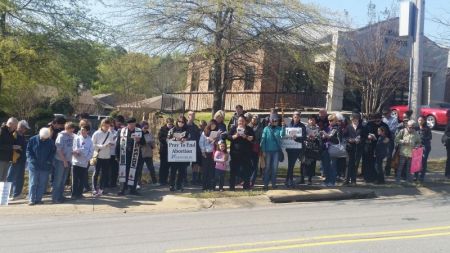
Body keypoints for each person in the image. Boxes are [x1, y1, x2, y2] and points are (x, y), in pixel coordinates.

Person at [116, 118, 145, 195]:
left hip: (135, 155)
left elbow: (144, 143)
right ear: (127, 124)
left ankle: (132, 189)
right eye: (130, 124)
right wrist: (117, 156)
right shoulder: (121, 131)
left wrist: (139, 140)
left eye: (133, 124)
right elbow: (118, 144)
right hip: (124, 155)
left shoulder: (139, 131)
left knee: (134, 172)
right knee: (123, 172)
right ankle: (122, 189)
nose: (132, 126)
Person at [26, 128, 56, 205]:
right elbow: (28, 151)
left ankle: (38, 199)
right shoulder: (32, 139)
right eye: (42, 138)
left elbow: (53, 152)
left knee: (42, 183)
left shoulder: (50, 141)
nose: (43, 140)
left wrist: (49, 161)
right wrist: (32, 160)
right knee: (33, 183)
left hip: (45, 166)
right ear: (40, 135)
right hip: (34, 166)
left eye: (45, 139)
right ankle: (31, 199)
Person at [228, 115, 254, 190]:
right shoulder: (234, 128)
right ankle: (232, 187)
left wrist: (245, 136)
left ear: (245, 122)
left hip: (246, 153)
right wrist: (236, 135)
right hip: (235, 153)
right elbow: (228, 137)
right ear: (237, 121)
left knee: (246, 170)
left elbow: (253, 138)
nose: (240, 122)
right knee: (233, 170)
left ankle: (246, 186)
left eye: (242, 121)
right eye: (239, 121)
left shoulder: (249, 129)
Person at [362, 113, 390, 183]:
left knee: (378, 165)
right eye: (375, 120)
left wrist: (387, 139)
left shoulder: (384, 125)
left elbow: (389, 136)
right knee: (368, 163)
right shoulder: (369, 124)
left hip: (380, 148)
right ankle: (368, 178)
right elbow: (363, 134)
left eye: (378, 120)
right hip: (370, 146)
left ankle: (378, 179)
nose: (377, 122)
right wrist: (368, 137)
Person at [52, 122, 75, 203]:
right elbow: (59, 150)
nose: (72, 131)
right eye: (70, 130)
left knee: (63, 180)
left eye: (72, 130)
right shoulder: (61, 136)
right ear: (66, 129)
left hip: (68, 160)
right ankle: (55, 198)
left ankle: (60, 196)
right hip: (60, 161)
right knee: (58, 180)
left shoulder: (72, 136)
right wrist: (64, 161)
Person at [6, 120, 30, 199]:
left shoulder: (22, 135)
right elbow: (10, 145)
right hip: (14, 159)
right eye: (25, 128)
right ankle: (6, 194)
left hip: (22, 159)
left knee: (20, 177)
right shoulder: (14, 134)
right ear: (21, 127)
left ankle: (17, 194)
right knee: (11, 176)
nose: (25, 130)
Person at [282, 111, 306, 187]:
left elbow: (303, 138)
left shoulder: (302, 126)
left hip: (297, 149)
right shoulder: (289, 125)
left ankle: (289, 181)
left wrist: (296, 138)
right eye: (295, 117)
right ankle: (289, 180)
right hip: (290, 148)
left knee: (291, 165)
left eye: (298, 117)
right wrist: (284, 127)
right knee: (290, 165)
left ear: (300, 118)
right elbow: (285, 135)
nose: (296, 118)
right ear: (293, 117)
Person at [92, 119, 115, 196]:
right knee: (96, 172)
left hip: (107, 156)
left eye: (108, 126)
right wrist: (101, 146)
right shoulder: (96, 133)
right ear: (102, 125)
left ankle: (101, 188)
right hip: (98, 155)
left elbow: (113, 143)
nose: (107, 127)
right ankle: (94, 188)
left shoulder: (110, 134)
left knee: (104, 173)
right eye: (105, 126)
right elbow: (92, 145)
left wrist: (111, 144)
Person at [167, 115, 190, 191]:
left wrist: (186, 139)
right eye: (179, 121)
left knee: (182, 171)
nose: (181, 123)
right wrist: (174, 139)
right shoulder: (172, 130)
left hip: (183, 154)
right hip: (174, 154)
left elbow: (191, 139)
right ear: (177, 122)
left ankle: (179, 185)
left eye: (182, 122)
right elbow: (167, 140)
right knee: (173, 171)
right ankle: (171, 185)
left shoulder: (187, 130)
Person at [260, 114, 283, 190]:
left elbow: (282, 135)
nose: (275, 122)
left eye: (276, 121)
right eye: (274, 120)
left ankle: (273, 184)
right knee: (267, 168)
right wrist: (263, 150)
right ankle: (265, 184)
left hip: (276, 151)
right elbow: (263, 141)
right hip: (267, 151)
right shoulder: (266, 129)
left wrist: (283, 126)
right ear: (270, 121)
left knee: (274, 168)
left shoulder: (279, 128)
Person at [71, 125, 94, 200]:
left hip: (84, 162)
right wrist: (76, 152)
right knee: (75, 179)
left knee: (82, 179)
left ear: (87, 131)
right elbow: (74, 148)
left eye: (84, 130)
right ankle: (74, 194)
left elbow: (91, 151)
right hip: (76, 161)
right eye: (81, 130)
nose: (82, 131)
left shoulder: (90, 140)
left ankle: (80, 193)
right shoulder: (76, 138)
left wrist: (87, 159)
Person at [199, 119, 221, 191]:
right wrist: (203, 151)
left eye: (214, 125)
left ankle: (211, 186)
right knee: (205, 170)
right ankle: (204, 186)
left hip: (214, 153)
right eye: (212, 125)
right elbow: (201, 142)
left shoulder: (217, 132)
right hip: (206, 153)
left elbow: (220, 142)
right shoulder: (204, 132)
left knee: (212, 170)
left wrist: (216, 141)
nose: (213, 126)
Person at [322, 114, 342, 187]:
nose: (330, 122)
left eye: (331, 120)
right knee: (326, 165)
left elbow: (337, 140)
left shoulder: (337, 128)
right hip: (326, 148)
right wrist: (323, 136)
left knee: (332, 165)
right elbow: (325, 138)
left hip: (334, 148)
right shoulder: (327, 127)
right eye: (329, 120)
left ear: (335, 121)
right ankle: (327, 180)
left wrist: (327, 136)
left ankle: (332, 181)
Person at [344, 113, 363, 186]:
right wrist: (349, 140)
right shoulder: (348, 127)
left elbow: (364, 137)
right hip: (350, 147)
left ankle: (353, 180)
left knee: (355, 164)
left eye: (355, 119)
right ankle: (346, 180)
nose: (354, 121)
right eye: (352, 120)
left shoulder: (362, 127)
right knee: (348, 164)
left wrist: (360, 140)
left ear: (358, 119)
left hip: (358, 148)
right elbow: (344, 136)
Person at [303, 115, 322, 185]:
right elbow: (302, 136)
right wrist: (307, 137)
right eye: (310, 119)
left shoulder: (318, 128)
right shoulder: (305, 128)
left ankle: (310, 179)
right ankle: (302, 178)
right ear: (308, 120)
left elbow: (320, 137)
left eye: (313, 120)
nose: (311, 121)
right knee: (304, 162)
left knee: (312, 164)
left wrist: (316, 138)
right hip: (306, 147)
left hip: (314, 147)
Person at [186, 111, 201, 185]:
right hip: (186, 148)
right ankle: (184, 179)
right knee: (185, 164)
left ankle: (194, 179)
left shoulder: (195, 127)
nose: (193, 116)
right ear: (188, 116)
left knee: (195, 164)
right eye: (191, 115)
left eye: (194, 115)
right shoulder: (184, 126)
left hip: (195, 148)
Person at [382, 108, 399, 176]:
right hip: (382, 139)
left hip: (390, 139)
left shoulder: (394, 119)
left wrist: (384, 131)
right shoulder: (383, 119)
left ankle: (387, 170)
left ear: (389, 113)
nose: (385, 115)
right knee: (381, 155)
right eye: (384, 114)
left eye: (386, 113)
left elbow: (393, 129)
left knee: (389, 156)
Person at [248, 114, 263, 187]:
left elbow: (261, 139)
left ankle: (252, 181)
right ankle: (246, 180)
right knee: (248, 164)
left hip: (256, 148)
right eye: (253, 118)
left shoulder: (260, 128)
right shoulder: (248, 126)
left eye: (256, 119)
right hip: (248, 148)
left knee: (254, 165)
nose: (254, 120)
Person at [416, 116, 432, 182]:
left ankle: (422, 176)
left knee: (423, 161)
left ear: (424, 121)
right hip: (417, 146)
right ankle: (415, 175)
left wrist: (421, 139)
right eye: (419, 120)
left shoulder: (427, 128)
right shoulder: (416, 128)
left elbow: (430, 137)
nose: (420, 121)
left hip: (425, 146)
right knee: (416, 161)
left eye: (422, 120)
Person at [158, 118, 174, 185]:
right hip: (164, 150)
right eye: (169, 124)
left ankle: (167, 179)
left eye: (171, 124)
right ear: (166, 123)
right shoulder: (162, 129)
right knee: (163, 166)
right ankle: (161, 180)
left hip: (171, 150)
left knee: (169, 166)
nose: (170, 125)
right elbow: (160, 138)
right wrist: (166, 140)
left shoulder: (174, 129)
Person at [109, 119, 119, 188]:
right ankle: (107, 183)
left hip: (115, 153)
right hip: (108, 154)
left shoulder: (116, 132)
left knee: (115, 169)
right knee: (108, 169)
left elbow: (118, 142)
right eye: (110, 125)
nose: (111, 127)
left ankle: (113, 183)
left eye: (112, 125)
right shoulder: (106, 133)